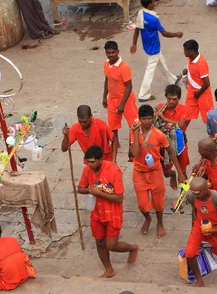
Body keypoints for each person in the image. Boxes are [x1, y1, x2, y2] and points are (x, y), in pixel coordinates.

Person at [78, 145, 139, 278]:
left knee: (111, 245)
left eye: (92, 161)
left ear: (101, 160)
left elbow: (118, 198)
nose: (90, 164)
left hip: (112, 213)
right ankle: (109, 269)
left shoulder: (113, 171)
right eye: (88, 161)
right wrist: (89, 190)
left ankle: (132, 248)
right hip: (96, 212)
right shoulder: (87, 170)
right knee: (99, 242)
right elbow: (80, 188)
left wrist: (99, 193)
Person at [130, 104, 185, 238]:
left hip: (155, 172)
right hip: (139, 172)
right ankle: (147, 218)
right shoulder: (133, 131)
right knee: (143, 205)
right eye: (143, 119)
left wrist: (180, 173)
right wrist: (136, 134)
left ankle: (160, 223)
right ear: (139, 118)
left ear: (153, 118)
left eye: (149, 118)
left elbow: (171, 153)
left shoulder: (159, 135)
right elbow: (135, 153)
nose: (146, 121)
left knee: (159, 202)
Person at [130, 0, 183, 103]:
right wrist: (176, 34)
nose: (156, 3)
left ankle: (172, 79)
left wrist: (134, 43)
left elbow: (137, 29)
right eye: (155, 1)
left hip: (147, 45)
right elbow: (164, 33)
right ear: (150, 4)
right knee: (150, 70)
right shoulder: (154, 18)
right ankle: (144, 94)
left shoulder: (141, 13)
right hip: (154, 47)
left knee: (161, 61)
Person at [186, 177, 217, 287]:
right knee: (189, 253)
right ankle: (199, 279)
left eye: (197, 193)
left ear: (206, 189)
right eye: (193, 193)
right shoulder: (192, 197)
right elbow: (194, 211)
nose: (195, 196)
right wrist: (193, 229)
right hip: (199, 226)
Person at [103, 40, 138, 145]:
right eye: (108, 53)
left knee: (133, 123)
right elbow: (107, 80)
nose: (111, 55)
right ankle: (115, 143)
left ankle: (133, 144)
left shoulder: (124, 68)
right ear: (106, 53)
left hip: (126, 100)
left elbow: (129, 86)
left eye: (113, 52)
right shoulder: (106, 64)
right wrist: (105, 96)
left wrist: (122, 103)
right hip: (112, 99)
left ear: (117, 52)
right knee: (112, 124)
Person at [155, 84, 190, 189]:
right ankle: (173, 174)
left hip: (180, 145)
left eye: (174, 99)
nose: (171, 102)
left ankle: (183, 194)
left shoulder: (184, 109)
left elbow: (180, 124)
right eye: (169, 99)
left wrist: (164, 118)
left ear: (179, 98)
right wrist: (155, 112)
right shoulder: (161, 107)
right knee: (166, 172)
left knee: (183, 172)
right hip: (165, 145)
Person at [182, 39, 214, 124]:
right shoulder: (191, 58)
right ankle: (182, 133)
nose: (184, 52)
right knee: (187, 113)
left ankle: (214, 134)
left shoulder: (201, 64)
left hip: (202, 92)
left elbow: (206, 83)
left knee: (208, 117)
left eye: (185, 50)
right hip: (192, 91)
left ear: (192, 51)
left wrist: (198, 93)